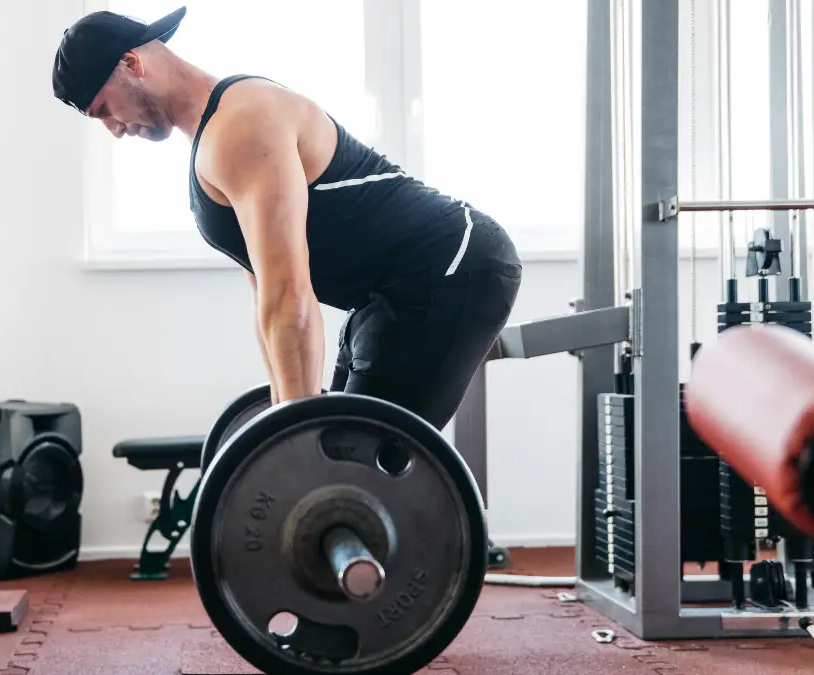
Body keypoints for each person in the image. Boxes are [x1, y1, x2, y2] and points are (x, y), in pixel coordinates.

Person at [53, 7, 522, 432]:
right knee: (336, 449)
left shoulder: (241, 124)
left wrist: (297, 447)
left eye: (104, 110)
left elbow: (289, 296)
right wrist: (285, 421)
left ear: (131, 64)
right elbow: (267, 301)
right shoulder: (211, 141)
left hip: (453, 261)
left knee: (356, 466)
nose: (114, 130)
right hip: (385, 295)